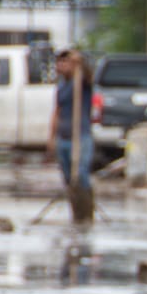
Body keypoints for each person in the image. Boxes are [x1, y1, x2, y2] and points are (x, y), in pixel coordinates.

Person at [47, 47, 94, 193]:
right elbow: (57, 111)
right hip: (64, 137)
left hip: (81, 136)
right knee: (68, 178)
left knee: (81, 175)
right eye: (59, 62)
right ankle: (76, 210)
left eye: (65, 62)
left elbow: (88, 75)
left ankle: (85, 210)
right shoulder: (61, 87)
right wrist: (52, 137)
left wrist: (80, 63)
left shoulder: (81, 82)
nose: (61, 65)